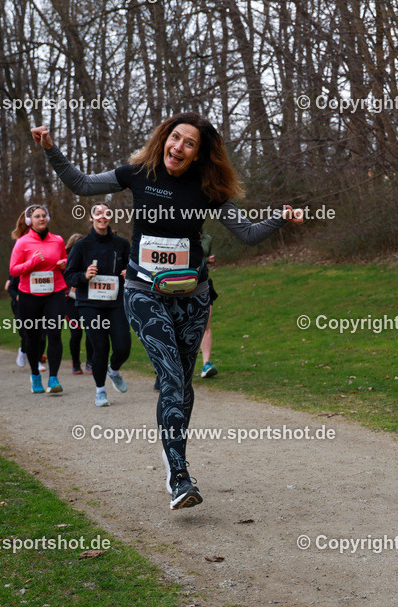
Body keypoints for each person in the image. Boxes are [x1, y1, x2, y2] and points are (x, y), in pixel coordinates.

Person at [32, 112, 304, 509]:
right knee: (172, 377)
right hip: (144, 292)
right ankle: (179, 476)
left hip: (193, 296)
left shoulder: (208, 189)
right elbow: (82, 184)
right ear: (164, 139)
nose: (178, 147)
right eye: (175, 138)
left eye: (189, 143)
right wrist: (52, 150)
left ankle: (171, 448)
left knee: (184, 383)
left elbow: (246, 234)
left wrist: (280, 217)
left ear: (198, 154)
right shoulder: (138, 172)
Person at [64, 203, 132, 407]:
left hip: (115, 302)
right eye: (98, 213)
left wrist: (129, 273)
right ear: (91, 218)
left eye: (106, 213)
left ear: (110, 217)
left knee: (123, 346)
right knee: (100, 346)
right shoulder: (81, 246)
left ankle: (114, 369)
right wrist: (84, 276)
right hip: (90, 304)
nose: (103, 216)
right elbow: (69, 275)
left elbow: (132, 267)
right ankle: (100, 391)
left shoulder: (121, 244)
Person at [9, 204, 67, 394]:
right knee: (32, 338)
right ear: (30, 221)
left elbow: (67, 262)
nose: (41, 219)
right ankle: (35, 375)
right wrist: (31, 262)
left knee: (55, 334)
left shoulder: (58, 240)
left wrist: (64, 263)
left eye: (44, 215)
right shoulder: (22, 242)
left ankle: (53, 378)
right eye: (37, 216)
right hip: (29, 295)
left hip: (54, 292)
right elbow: (13, 270)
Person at [63, 233, 94, 376]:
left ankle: (90, 361)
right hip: (70, 301)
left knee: (90, 332)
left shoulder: (91, 261)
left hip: (88, 300)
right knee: (76, 333)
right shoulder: (64, 262)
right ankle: (76, 363)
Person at [199, 236, 217, 378]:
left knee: (205, 324)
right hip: (178, 283)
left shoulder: (207, 238)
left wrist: (206, 261)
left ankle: (206, 364)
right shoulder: (178, 229)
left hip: (203, 282)